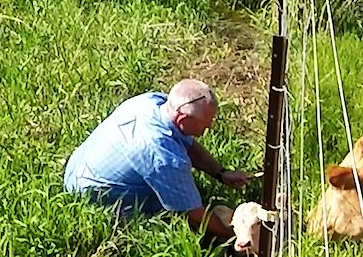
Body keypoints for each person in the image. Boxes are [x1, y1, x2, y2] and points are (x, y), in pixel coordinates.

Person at [63, 79, 252, 240]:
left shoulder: (150, 102)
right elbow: (193, 215)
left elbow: (186, 143)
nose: (210, 126)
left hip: (77, 170)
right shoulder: (163, 157)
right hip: (92, 198)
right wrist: (234, 236)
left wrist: (220, 173)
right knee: (167, 217)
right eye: (206, 122)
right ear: (183, 120)